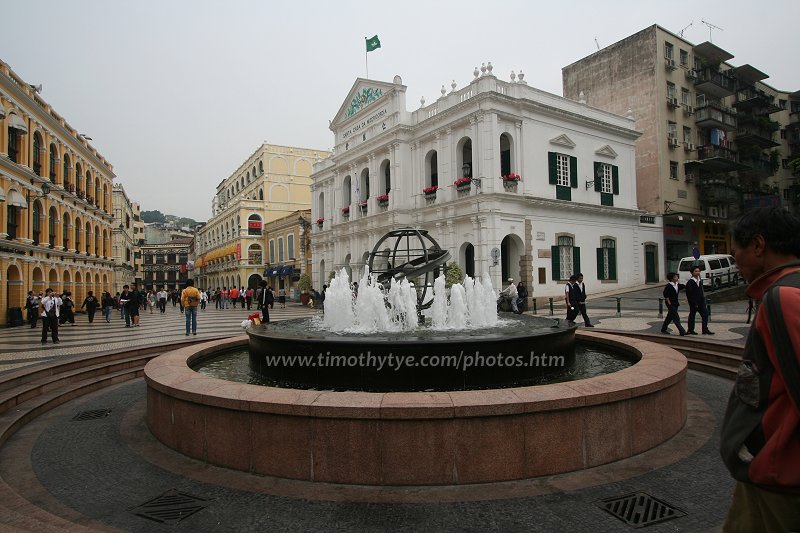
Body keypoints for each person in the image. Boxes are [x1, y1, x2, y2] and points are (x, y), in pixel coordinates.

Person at [720, 207, 800, 532]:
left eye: (734, 251)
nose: (734, 261)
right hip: (768, 468)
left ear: (757, 245)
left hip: (780, 472)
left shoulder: (784, 298)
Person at [686, 265, 714, 335]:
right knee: (692, 316)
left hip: (701, 302)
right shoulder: (690, 282)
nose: (697, 273)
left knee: (705, 314)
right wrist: (694, 303)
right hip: (694, 302)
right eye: (696, 271)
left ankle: (705, 329)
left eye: (698, 271)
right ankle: (690, 330)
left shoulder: (699, 281)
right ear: (692, 273)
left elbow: (701, 292)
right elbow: (689, 294)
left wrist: (703, 300)